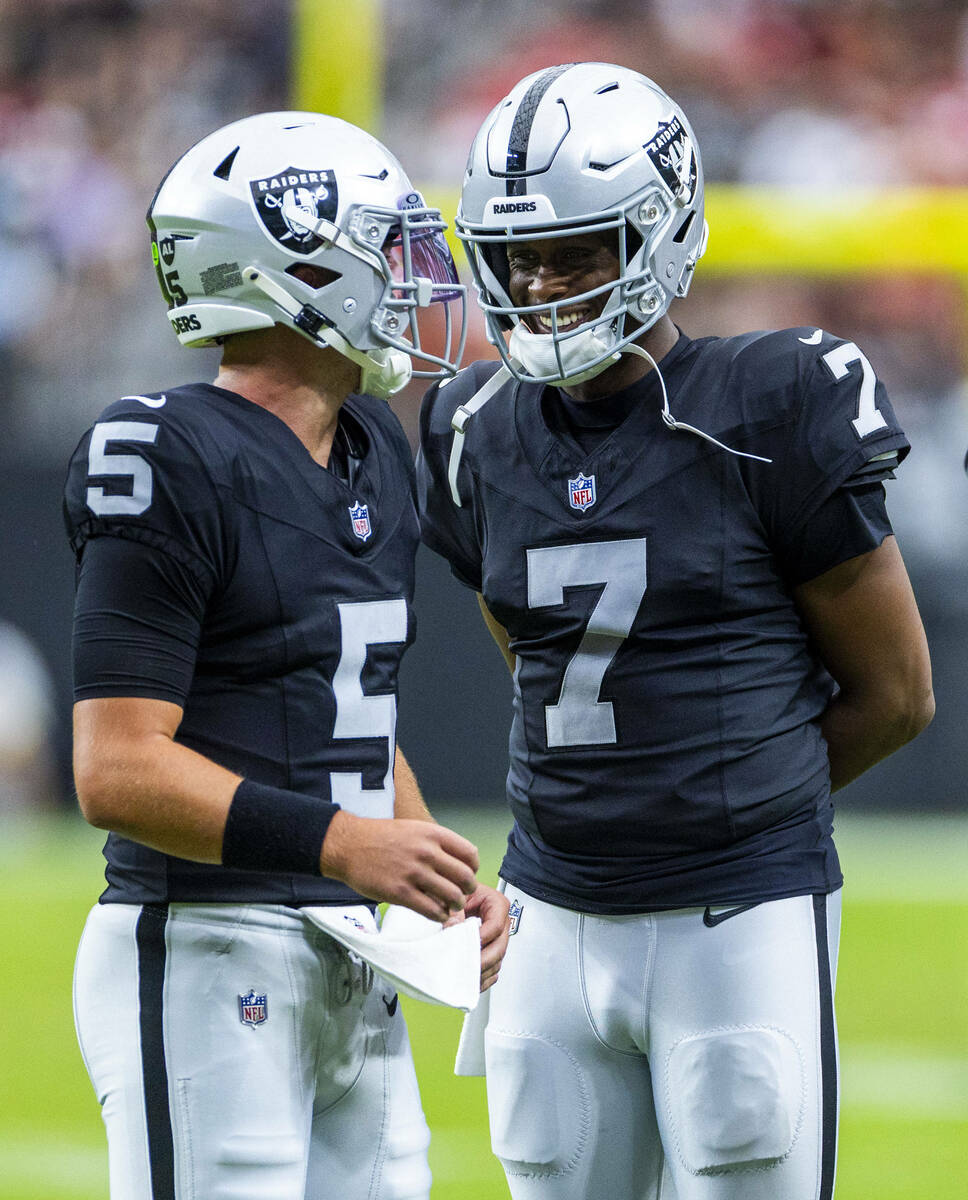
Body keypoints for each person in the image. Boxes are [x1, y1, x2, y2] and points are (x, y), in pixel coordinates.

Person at [417, 64, 934, 1200]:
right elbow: (531, 655)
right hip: (548, 913)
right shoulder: (469, 426)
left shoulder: (772, 399)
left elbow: (894, 694)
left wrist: (727, 796)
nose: (541, 286)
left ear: (660, 230)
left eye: (577, 251)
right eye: (517, 258)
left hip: (733, 915)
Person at [65, 110, 508, 1200]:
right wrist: (346, 843)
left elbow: (334, 713)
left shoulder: (372, 451)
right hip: (208, 945)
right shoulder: (164, 451)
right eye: (382, 248)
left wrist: (422, 857)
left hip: (346, 944)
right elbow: (114, 767)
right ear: (293, 269)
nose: (410, 277)